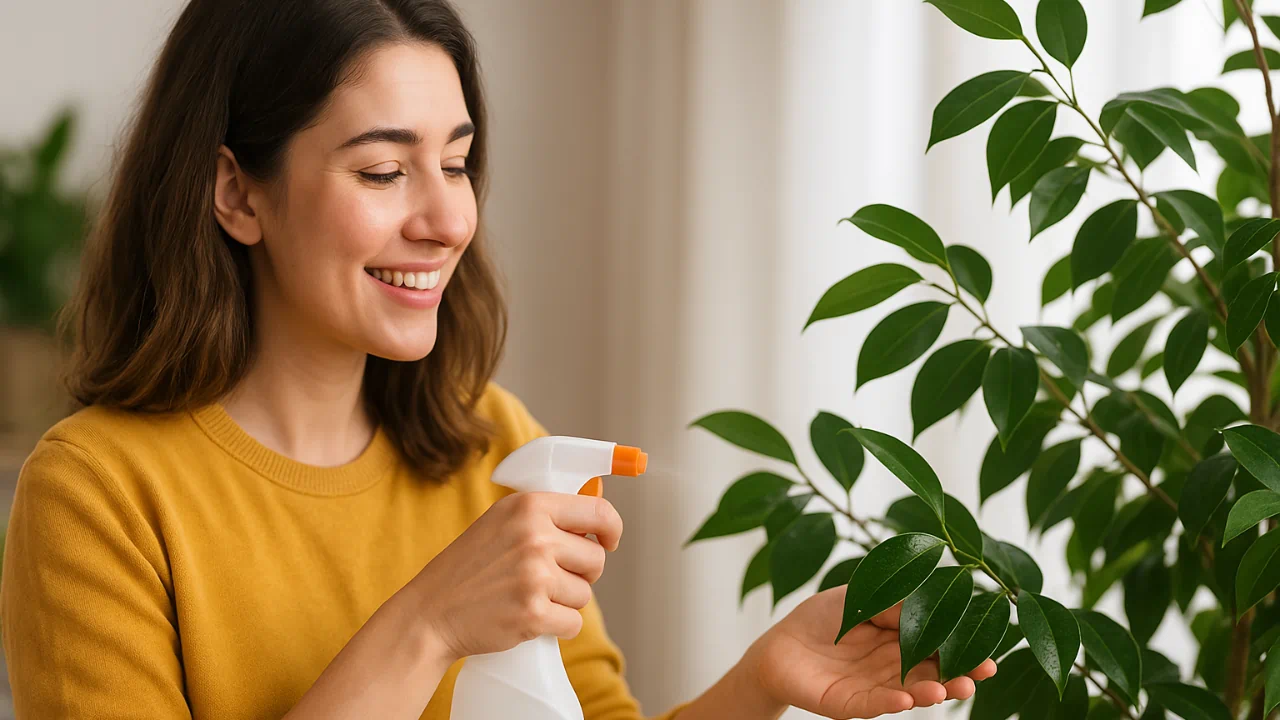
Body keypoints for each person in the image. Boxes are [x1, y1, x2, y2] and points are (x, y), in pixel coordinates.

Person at [0, 1, 997, 718]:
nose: (447, 218)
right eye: (383, 171)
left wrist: (761, 682)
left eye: (456, 161)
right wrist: (426, 624)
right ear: (237, 193)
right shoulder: (96, 494)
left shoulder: (493, 445)